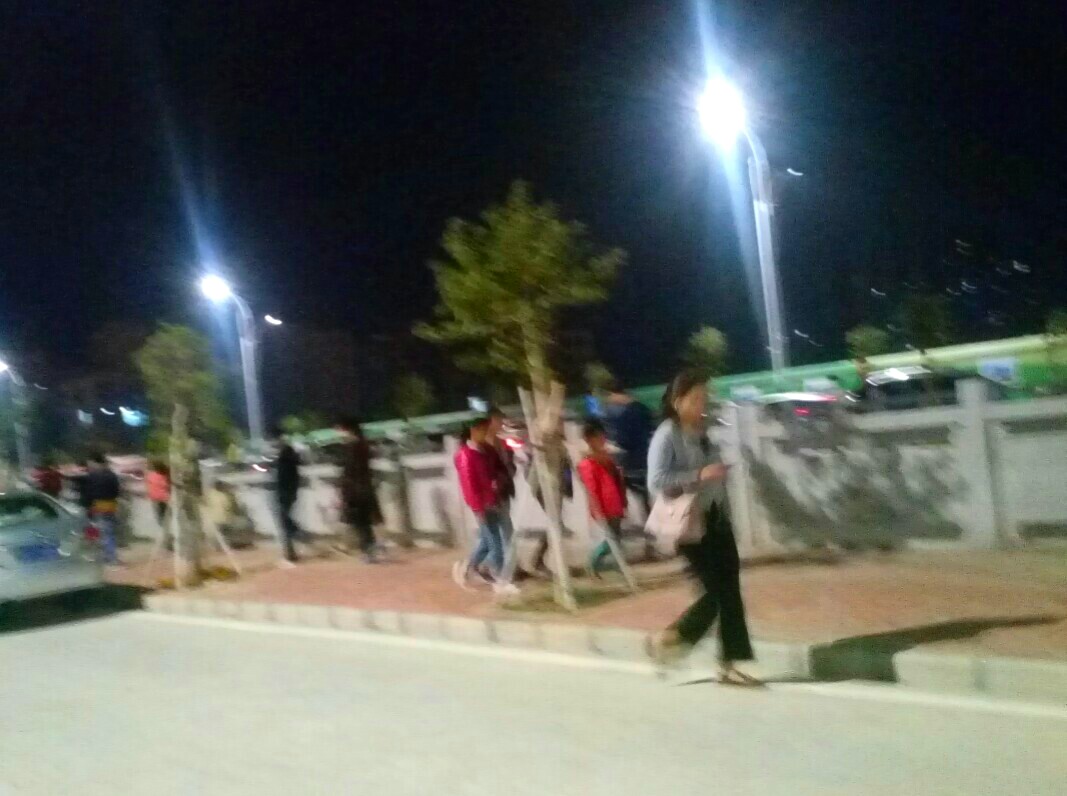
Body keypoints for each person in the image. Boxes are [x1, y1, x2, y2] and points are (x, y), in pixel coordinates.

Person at [646, 370, 759, 686]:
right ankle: (669, 639)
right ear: (677, 401)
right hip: (691, 526)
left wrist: (718, 475)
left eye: (704, 398)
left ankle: (729, 664)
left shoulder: (702, 431)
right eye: (695, 399)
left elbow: (710, 473)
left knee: (730, 593)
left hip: (718, 520)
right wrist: (699, 475)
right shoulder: (667, 435)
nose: (702, 404)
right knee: (713, 596)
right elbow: (656, 480)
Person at [452, 417, 515, 594]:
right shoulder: (465, 455)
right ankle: (499, 579)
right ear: (473, 431)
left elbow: (499, 469)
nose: (486, 433)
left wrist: (499, 483)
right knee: (495, 543)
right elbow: (469, 485)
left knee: (488, 542)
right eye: (483, 430)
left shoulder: (487, 450)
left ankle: (467, 566)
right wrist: (478, 508)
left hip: (494, 500)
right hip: (482, 505)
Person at [578, 419, 628, 577]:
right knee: (613, 538)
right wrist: (597, 509)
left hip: (615, 502)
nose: (602, 440)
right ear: (589, 439)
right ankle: (595, 563)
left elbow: (617, 480)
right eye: (598, 437)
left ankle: (608, 564)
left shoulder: (606, 458)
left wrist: (623, 501)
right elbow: (591, 489)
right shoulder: (587, 463)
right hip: (605, 506)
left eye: (602, 436)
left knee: (615, 537)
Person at [602, 380, 653, 516]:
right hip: (645, 457)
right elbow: (651, 428)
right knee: (645, 493)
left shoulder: (620, 413)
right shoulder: (642, 408)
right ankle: (650, 516)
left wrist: (613, 446)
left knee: (626, 488)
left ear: (613, 394)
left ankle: (621, 515)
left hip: (630, 461)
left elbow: (622, 440)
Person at [335, 417, 382, 563]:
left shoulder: (352, 447)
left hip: (355, 490)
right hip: (363, 488)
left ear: (348, 430)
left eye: (340, 430)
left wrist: (343, 492)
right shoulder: (362, 445)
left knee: (360, 523)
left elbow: (349, 471)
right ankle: (369, 548)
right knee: (363, 522)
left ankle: (368, 550)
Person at [85, 452, 121, 564]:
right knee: (109, 532)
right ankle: (111, 557)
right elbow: (116, 491)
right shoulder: (112, 475)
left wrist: (88, 506)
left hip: (96, 506)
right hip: (110, 505)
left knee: (94, 532)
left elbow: (88, 493)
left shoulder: (92, 476)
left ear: (96, 463)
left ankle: (96, 556)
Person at [275, 427, 303, 565]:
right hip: (287, 492)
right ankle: (290, 551)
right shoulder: (287, 453)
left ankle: (291, 551)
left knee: (285, 522)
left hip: (286, 492)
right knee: (285, 521)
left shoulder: (286, 454)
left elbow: (288, 476)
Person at [146, 460, 170, 528]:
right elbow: (166, 486)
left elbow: (148, 483)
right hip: (163, 497)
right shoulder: (164, 477)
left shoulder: (151, 475)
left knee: (157, 510)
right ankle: (162, 520)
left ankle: (159, 521)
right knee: (162, 510)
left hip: (153, 496)